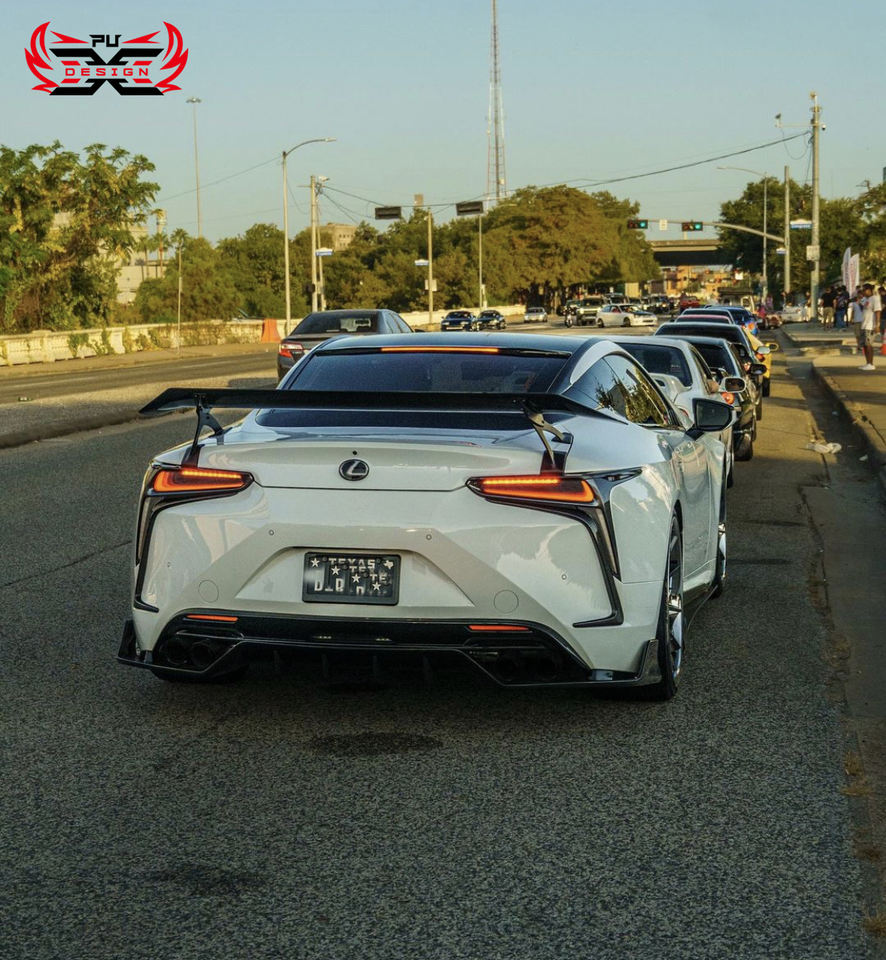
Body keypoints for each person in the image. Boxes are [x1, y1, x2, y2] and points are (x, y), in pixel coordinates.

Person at [858, 283, 881, 370]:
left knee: (869, 345)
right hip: (864, 325)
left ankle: (871, 364)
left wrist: (877, 325)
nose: (863, 292)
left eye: (864, 290)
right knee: (864, 345)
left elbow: (878, 311)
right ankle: (867, 363)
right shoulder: (866, 299)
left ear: (869, 290)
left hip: (870, 325)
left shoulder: (875, 298)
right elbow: (862, 308)